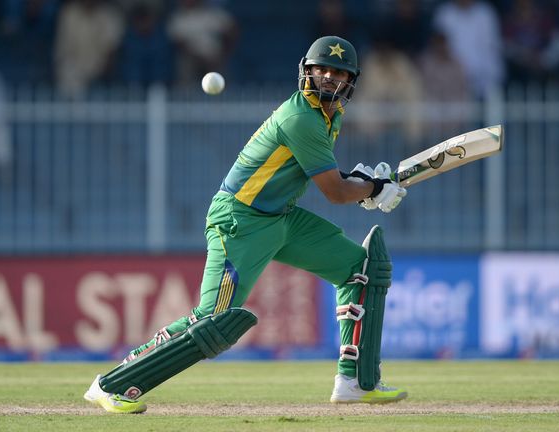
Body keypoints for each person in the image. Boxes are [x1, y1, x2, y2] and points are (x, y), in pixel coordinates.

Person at [84, 36, 409, 414]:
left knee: (361, 269)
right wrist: (370, 188)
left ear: (350, 81)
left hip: (281, 217)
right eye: (322, 69)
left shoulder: (329, 115)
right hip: (241, 219)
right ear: (306, 71)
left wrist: (362, 184)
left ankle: (356, 382)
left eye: (338, 72)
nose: (328, 78)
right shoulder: (300, 118)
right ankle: (114, 383)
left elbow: (323, 175)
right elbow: (335, 193)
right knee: (214, 320)